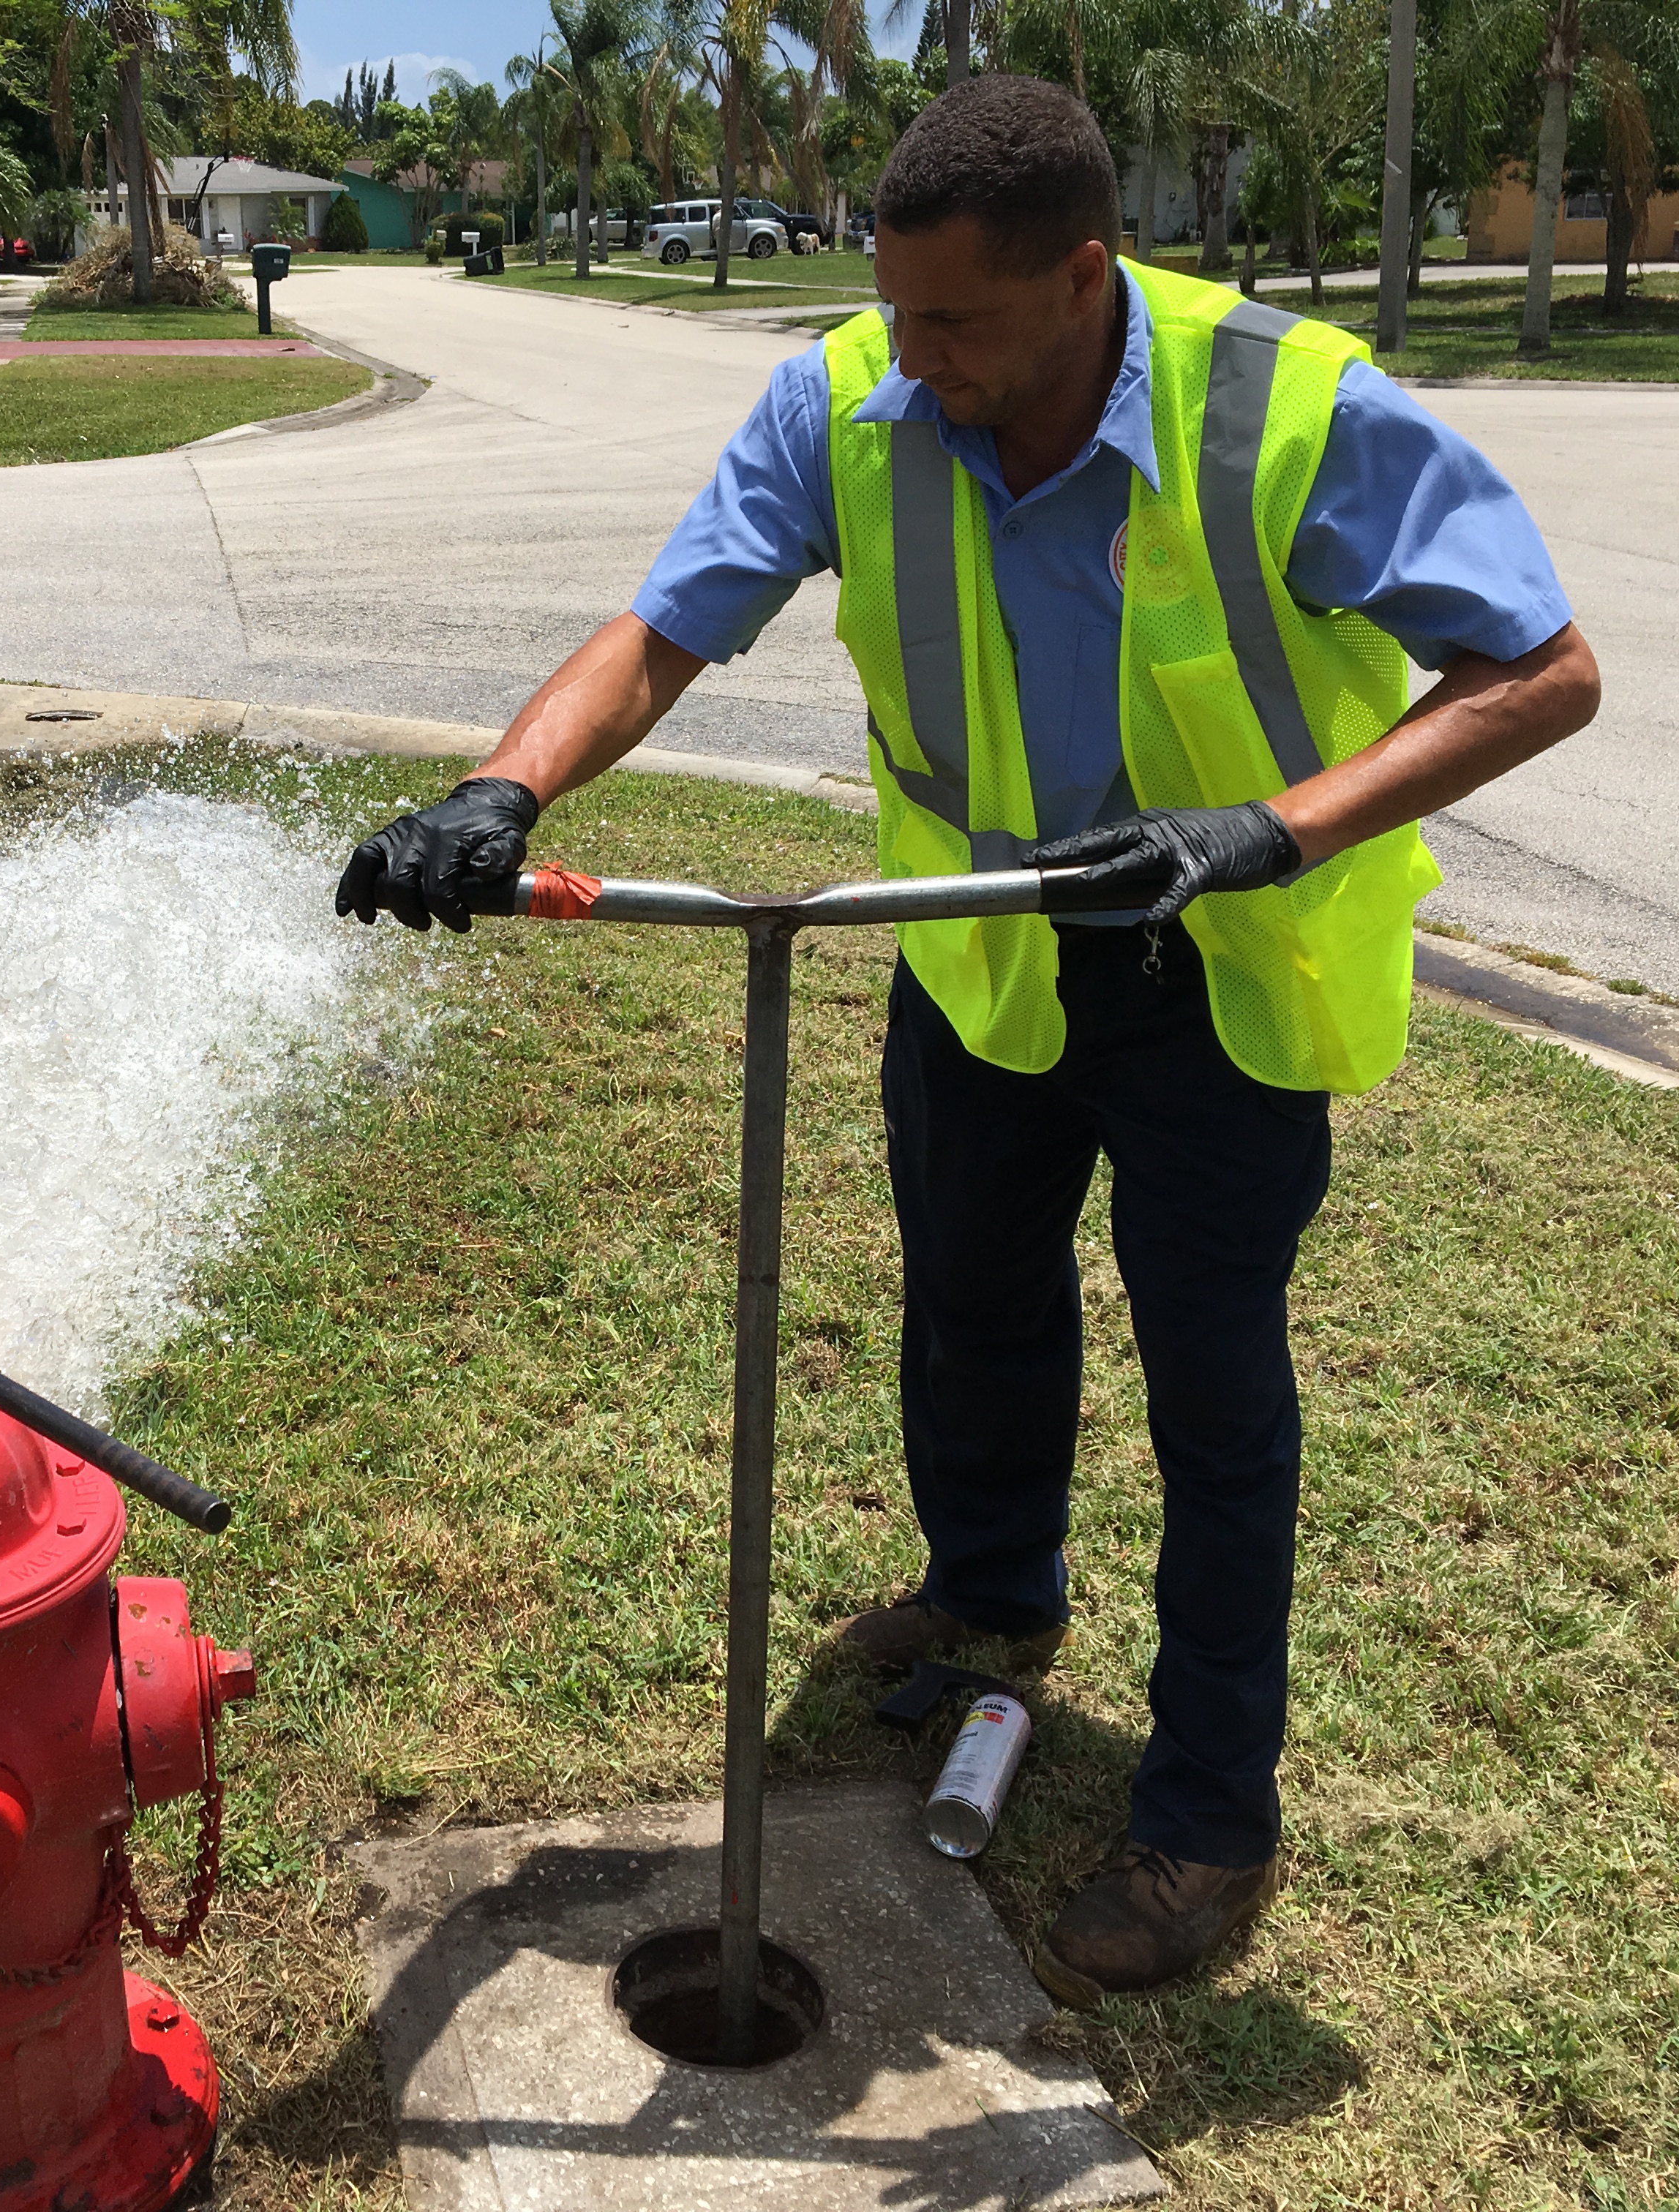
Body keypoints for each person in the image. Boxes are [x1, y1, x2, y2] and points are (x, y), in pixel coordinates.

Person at [332, 77, 1599, 2005]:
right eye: (897, 316)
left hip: (1221, 981)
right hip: (986, 958)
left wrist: (1262, 831)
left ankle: (1205, 1820)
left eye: (958, 327)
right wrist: (507, 788)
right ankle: (996, 1602)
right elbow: (665, 630)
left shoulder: (1290, 414)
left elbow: (1543, 671)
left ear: (1085, 274)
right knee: (976, 1308)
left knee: (1215, 1398)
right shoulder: (851, 399)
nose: (914, 366)